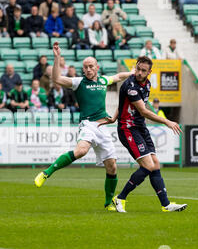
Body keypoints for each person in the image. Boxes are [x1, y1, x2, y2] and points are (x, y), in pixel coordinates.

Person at [34, 42, 134, 211]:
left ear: (97, 67)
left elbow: (117, 77)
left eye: (91, 66)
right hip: (87, 124)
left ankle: (109, 202)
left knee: (112, 167)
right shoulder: (78, 82)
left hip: (103, 126)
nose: (88, 70)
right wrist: (57, 58)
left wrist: (131, 73)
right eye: (85, 67)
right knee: (81, 151)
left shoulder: (103, 80)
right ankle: (46, 173)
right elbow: (57, 79)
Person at [104, 56, 187, 213]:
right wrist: (167, 121)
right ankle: (120, 198)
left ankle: (166, 204)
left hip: (140, 127)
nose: (139, 73)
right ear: (135, 67)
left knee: (155, 164)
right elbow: (143, 110)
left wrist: (114, 116)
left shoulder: (146, 84)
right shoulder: (131, 85)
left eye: (143, 70)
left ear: (150, 72)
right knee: (148, 165)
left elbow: (134, 104)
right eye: (138, 69)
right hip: (128, 129)